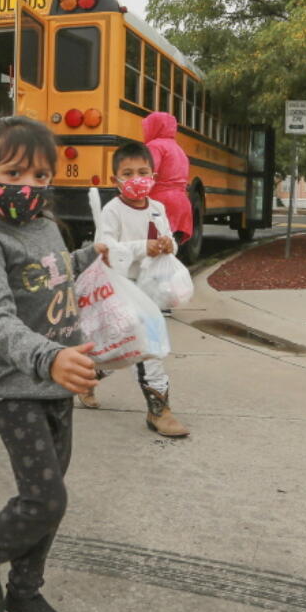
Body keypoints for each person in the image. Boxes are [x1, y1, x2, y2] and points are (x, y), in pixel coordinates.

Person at [0, 116, 111, 612]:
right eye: (15, 172)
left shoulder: (43, 224)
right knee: (43, 499)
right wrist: (49, 359)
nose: (30, 186)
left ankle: (24, 592)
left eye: (41, 176)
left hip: (57, 384)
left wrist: (91, 258)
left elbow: (54, 271)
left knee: (52, 497)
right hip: (16, 385)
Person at [82, 140, 189, 437]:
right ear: (114, 179)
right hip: (121, 287)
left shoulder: (157, 208)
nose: (135, 179)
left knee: (128, 345)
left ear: (153, 176)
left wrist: (170, 244)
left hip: (150, 289)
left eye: (142, 171)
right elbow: (106, 248)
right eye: (127, 173)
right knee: (148, 347)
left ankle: (90, 374)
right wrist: (145, 247)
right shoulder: (112, 211)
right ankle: (160, 410)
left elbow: (170, 241)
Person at [141, 111, 192, 246]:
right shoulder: (179, 149)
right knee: (170, 251)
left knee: (152, 249)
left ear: (155, 126)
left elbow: (148, 174)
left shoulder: (154, 146)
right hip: (182, 205)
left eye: (147, 127)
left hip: (161, 205)